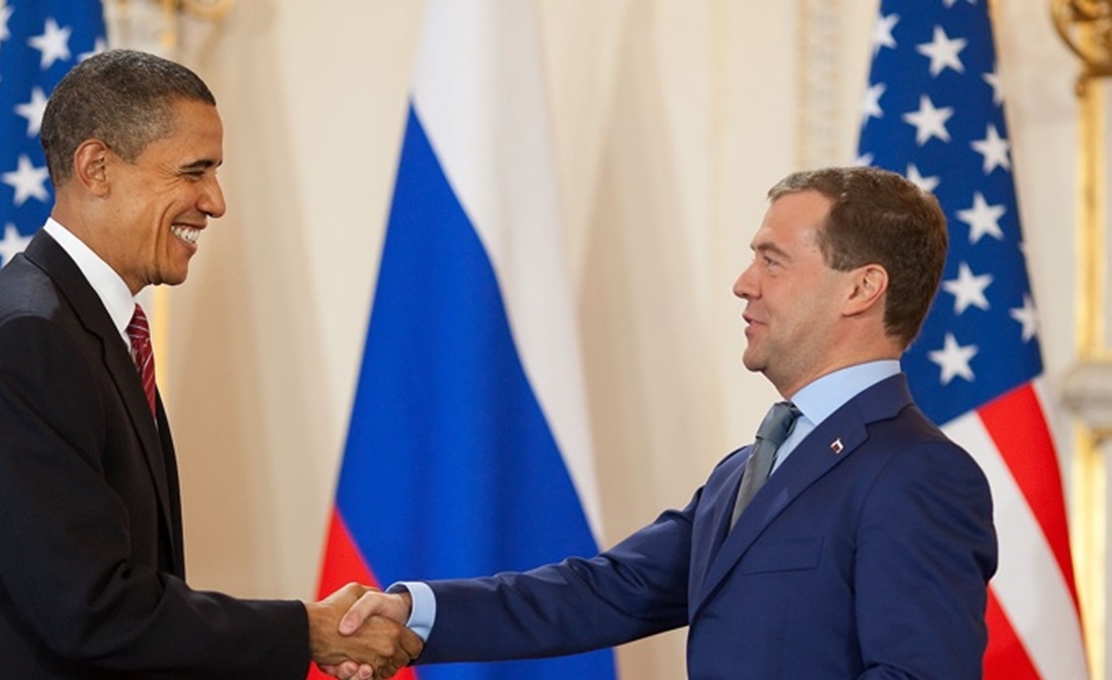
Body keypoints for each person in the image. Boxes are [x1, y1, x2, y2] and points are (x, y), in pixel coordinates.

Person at [325, 166, 997, 679]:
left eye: (772, 260)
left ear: (861, 288)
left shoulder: (916, 472)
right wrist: (415, 615)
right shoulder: (749, 467)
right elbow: (609, 590)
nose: (743, 282)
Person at [0, 49, 420, 680]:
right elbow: (92, 610)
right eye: (194, 173)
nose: (215, 202)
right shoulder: (30, 339)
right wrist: (308, 629)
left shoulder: (88, 327)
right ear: (97, 167)